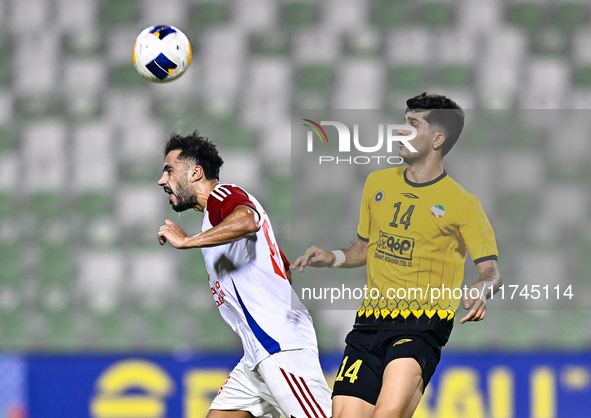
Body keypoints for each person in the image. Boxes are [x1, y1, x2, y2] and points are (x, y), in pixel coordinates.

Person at [292, 92, 503, 418]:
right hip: (368, 326)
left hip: (420, 328)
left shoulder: (463, 204)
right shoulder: (377, 183)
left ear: (437, 138)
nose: (400, 131)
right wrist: (332, 256)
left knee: (387, 413)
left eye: (412, 124)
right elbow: (363, 246)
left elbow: (491, 271)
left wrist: (481, 288)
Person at [157, 132, 332, 418]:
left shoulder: (221, 196)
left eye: (169, 170)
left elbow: (248, 220)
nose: (162, 180)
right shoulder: (214, 222)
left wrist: (187, 242)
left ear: (196, 172)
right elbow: (283, 269)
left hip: (279, 345)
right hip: (256, 351)